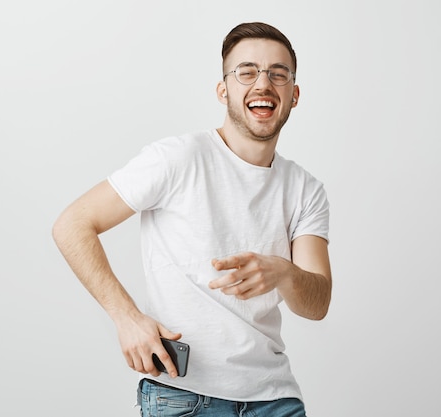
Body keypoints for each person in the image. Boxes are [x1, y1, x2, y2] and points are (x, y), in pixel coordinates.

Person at [52, 21, 332, 417]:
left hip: (275, 400)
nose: (263, 84)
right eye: (246, 72)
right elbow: (73, 224)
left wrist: (282, 272)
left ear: (294, 94)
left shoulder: (305, 189)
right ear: (224, 90)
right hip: (184, 397)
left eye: (278, 74)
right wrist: (127, 318)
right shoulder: (177, 158)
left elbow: (317, 303)